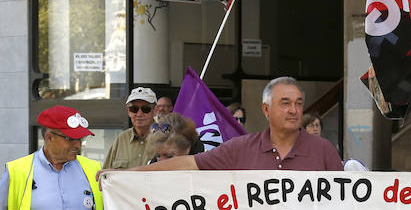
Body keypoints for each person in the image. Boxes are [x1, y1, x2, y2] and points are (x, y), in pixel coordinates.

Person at [121, 77, 342, 173]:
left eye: (298, 103)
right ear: (266, 110)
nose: (293, 110)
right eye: (285, 103)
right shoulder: (240, 148)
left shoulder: (324, 150)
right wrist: (128, 175)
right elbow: (188, 164)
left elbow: (347, 203)